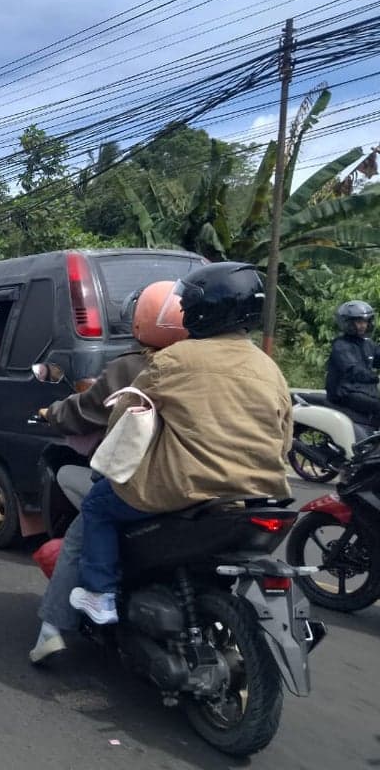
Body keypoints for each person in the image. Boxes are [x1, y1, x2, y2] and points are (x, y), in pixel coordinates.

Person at [68, 263, 292, 625]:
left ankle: (100, 595)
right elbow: (284, 435)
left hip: (183, 490)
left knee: (98, 506)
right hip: (252, 493)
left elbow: (125, 417)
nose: (185, 312)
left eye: (188, 306)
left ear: (207, 309)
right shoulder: (269, 367)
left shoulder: (175, 358)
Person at [30, 281, 187, 664]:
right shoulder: (208, 364)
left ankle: (54, 628)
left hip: (153, 482)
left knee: (82, 532)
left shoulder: (134, 366)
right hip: (223, 489)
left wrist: (52, 414)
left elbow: (87, 409)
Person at [326, 300, 380, 427]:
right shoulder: (341, 345)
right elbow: (353, 370)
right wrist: (375, 377)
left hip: (363, 391)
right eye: (359, 321)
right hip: (345, 392)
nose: (363, 325)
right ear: (348, 323)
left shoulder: (367, 343)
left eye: (365, 321)